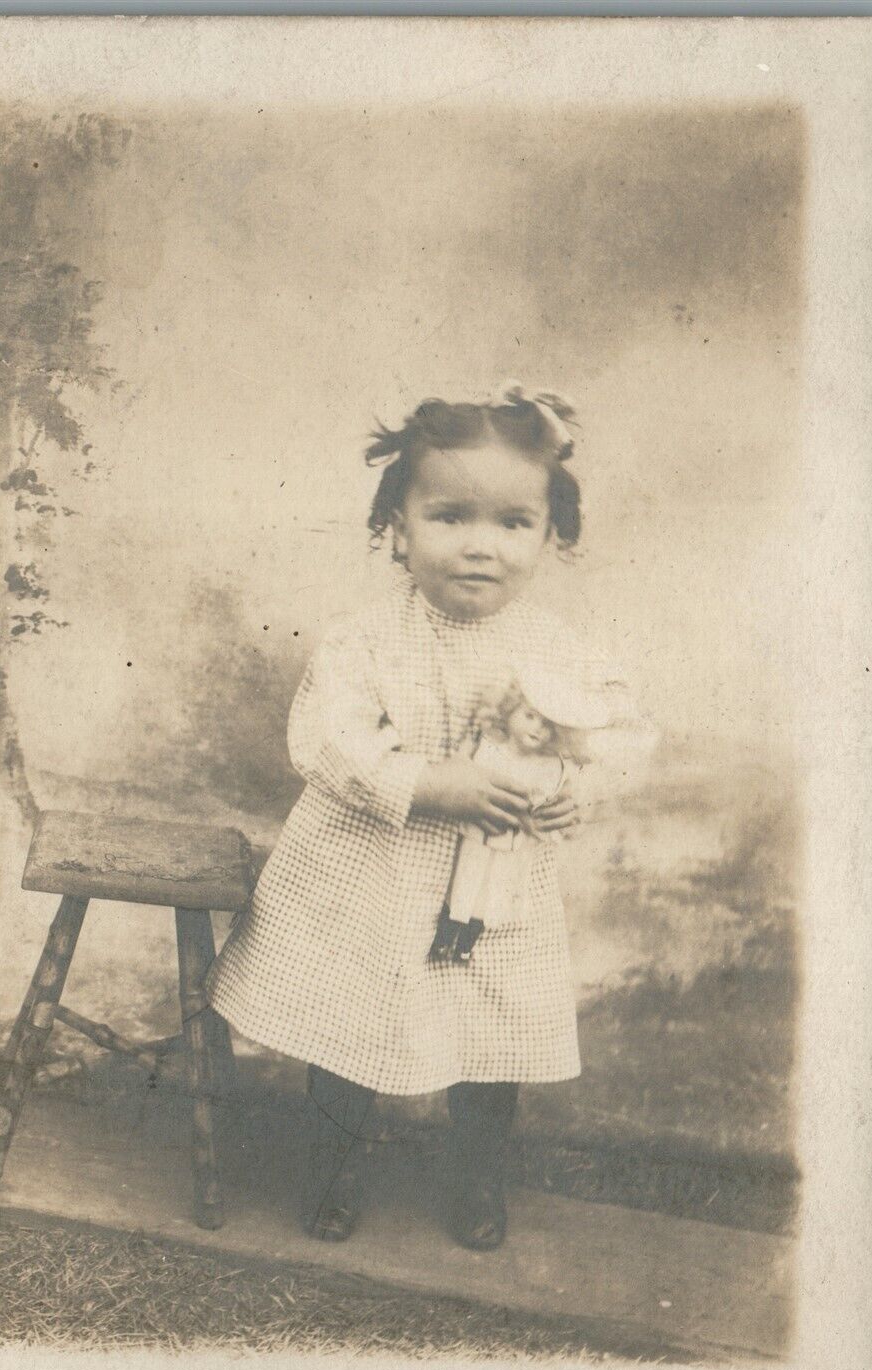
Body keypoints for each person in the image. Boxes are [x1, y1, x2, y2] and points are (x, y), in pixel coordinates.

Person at [207, 386, 638, 1250]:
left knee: (491, 1032)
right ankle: (334, 1167)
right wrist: (428, 784)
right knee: (349, 1022)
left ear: (551, 537)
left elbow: (611, 738)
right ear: (396, 529)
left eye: (514, 523)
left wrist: (569, 793)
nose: (480, 545)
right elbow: (326, 744)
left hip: (497, 887)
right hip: (371, 874)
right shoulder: (364, 642)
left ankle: (477, 1176)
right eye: (448, 517)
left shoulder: (558, 650)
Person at [429, 671, 617, 964]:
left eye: (548, 726)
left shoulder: (548, 766)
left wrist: (537, 811)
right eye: (529, 716)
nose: (537, 729)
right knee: (462, 885)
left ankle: (465, 946)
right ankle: (443, 941)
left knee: (490, 897)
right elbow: (466, 771)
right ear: (509, 710)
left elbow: (546, 800)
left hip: (512, 843)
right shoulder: (490, 747)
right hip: (478, 833)